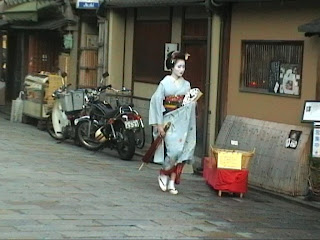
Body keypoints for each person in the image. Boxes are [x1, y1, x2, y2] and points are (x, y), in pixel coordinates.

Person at [149, 51, 197, 195]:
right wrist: (159, 124)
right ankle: (164, 173)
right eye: (179, 66)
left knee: (181, 151)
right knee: (172, 151)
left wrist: (191, 103)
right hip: (169, 119)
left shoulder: (186, 84)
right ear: (172, 66)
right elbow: (156, 102)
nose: (181, 70)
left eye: (183, 67)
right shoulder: (164, 83)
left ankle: (172, 181)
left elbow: (189, 102)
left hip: (183, 121)